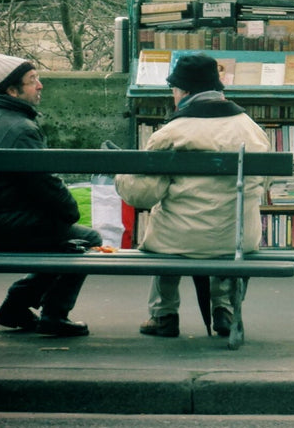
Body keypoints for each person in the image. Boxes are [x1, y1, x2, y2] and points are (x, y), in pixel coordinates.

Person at [115, 53, 271, 339]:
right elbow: (265, 181)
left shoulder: (172, 132)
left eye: (173, 90)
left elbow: (143, 196)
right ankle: (225, 309)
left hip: (180, 240)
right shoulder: (252, 129)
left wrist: (120, 175)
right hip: (238, 239)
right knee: (225, 219)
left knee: (164, 229)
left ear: (183, 91)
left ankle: (164, 315)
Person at [0, 49, 102, 337]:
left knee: (64, 241)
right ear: (13, 91)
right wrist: (70, 212)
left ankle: (15, 306)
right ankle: (54, 314)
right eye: (33, 80)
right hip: (9, 228)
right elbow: (44, 183)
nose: (40, 85)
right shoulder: (20, 129)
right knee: (86, 238)